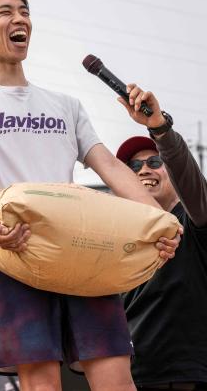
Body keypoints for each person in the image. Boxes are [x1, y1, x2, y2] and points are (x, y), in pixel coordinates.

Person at [0, 0, 179, 391]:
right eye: (7, 11)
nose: (20, 19)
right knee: (41, 383)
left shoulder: (66, 104)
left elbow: (111, 169)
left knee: (115, 376)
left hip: (84, 250)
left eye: (25, 11)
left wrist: (160, 223)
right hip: (16, 246)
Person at [116, 85, 207, 390]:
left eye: (154, 162)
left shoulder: (194, 219)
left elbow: (190, 180)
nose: (144, 169)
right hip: (131, 377)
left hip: (187, 375)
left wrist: (159, 128)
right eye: (133, 166)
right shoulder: (115, 235)